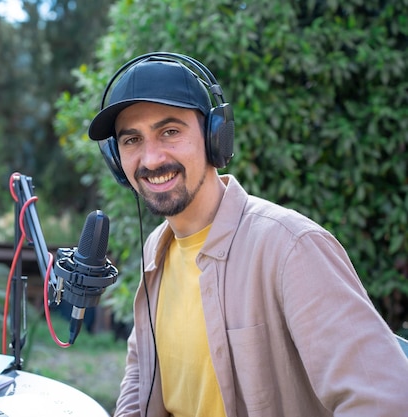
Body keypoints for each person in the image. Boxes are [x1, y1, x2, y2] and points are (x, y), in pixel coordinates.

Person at [87, 52, 408, 417]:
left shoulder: (290, 247)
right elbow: (141, 370)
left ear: (215, 137)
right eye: (132, 140)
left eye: (170, 132)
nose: (152, 159)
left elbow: (385, 401)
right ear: (116, 159)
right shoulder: (156, 248)